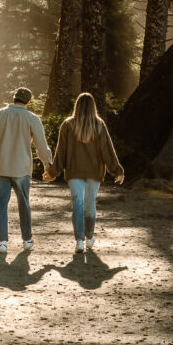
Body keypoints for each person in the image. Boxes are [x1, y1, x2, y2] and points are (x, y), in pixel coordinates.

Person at [43, 92, 124, 253]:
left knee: (78, 203)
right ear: (93, 107)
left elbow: (61, 151)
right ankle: (90, 237)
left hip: (74, 171)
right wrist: (117, 171)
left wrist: (52, 171)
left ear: (77, 106)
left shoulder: (68, 124)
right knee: (90, 203)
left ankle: (79, 240)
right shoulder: (99, 124)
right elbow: (107, 150)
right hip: (94, 171)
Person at [0, 86, 52, 255]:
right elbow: (41, 146)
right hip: (22, 169)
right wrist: (48, 166)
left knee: (1, 205)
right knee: (24, 204)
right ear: (28, 101)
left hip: (0, 168)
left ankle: (2, 242)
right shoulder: (32, 118)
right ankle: (27, 240)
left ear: (14, 98)